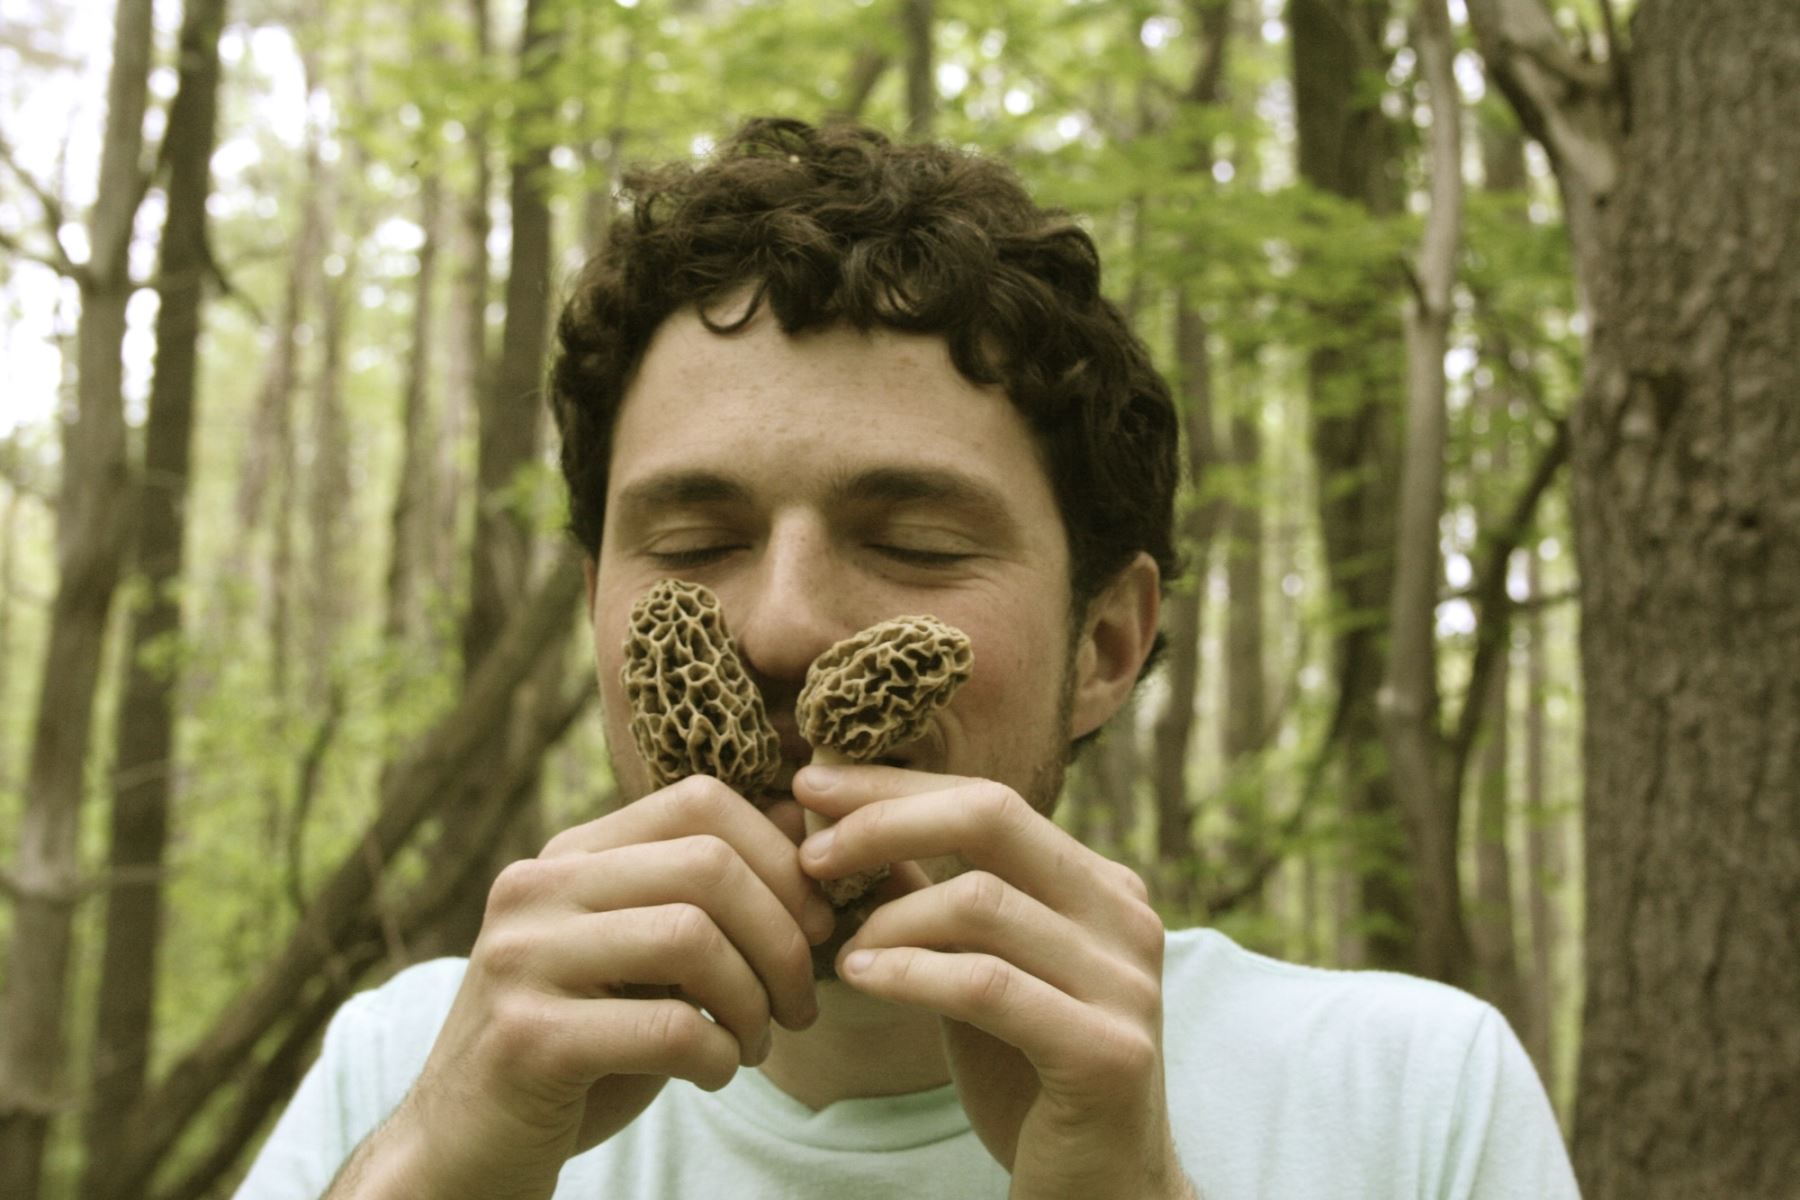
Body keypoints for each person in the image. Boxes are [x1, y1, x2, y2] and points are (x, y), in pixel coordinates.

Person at [235, 117, 1577, 1200]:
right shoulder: (410, 1067)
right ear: (596, 615)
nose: (783, 629)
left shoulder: (1405, 1099)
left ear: (1107, 644)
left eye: (919, 543)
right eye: (695, 540)